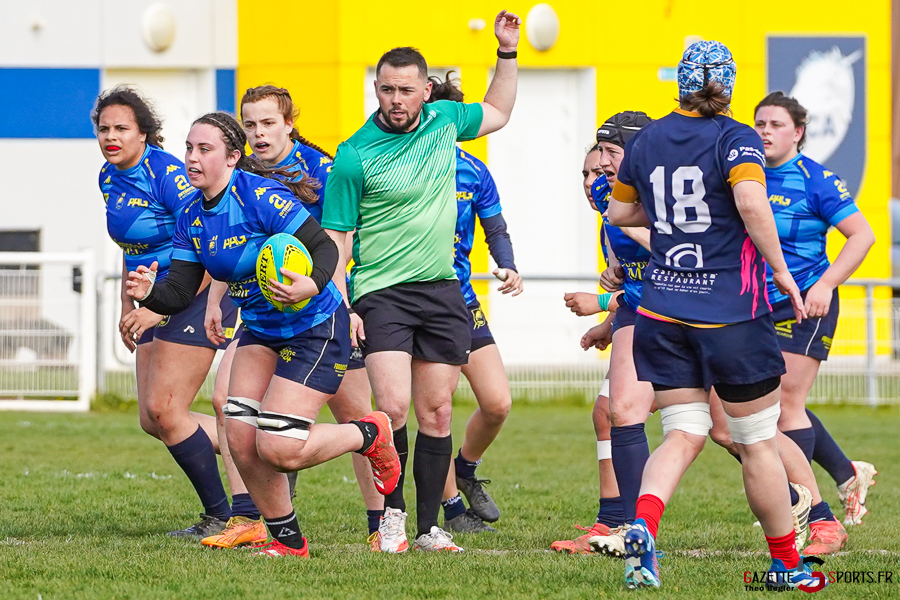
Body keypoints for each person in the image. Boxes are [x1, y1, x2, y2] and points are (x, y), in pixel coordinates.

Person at [122, 111, 400, 558]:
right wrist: (152, 294)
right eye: (189, 148)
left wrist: (311, 283)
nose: (191, 158)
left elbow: (324, 247)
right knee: (238, 436)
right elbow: (180, 288)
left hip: (314, 328)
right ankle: (288, 542)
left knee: (279, 447)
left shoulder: (259, 196)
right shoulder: (193, 214)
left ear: (233, 157)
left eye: (204, 149)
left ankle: (368, 434)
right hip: (260, 330)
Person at [608, 41, 818, 590]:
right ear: (727, 84)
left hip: (661, 309)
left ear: (679, 82)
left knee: (681, 433)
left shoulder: (648, 137)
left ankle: (644, 527)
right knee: (756, 441)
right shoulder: (735, 136)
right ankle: (786, 567)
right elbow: (750, 204)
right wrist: (784, 274)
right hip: (730, 312)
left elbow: (619, 209)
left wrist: (671, 226)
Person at [322, 10, 521, 553]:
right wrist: (345, 302)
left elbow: (500, 109)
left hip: (443, 291)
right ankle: (391, 517)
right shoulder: (354, 154)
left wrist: (506, 52)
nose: (394, 99)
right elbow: (337, 239)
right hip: (382, 294)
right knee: (391, 409)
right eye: (385, 89)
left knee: (436, 411)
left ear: (424, 90)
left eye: (405, 90)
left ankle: (431, 527)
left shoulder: (444, 122)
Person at [214, 84, 385, 546]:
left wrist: (346, 307)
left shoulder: (323, 172)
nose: (258, 133)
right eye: (249, 124)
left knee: (353, 411)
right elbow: (228, 241)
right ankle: (251, 517)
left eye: (268, 123)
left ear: (289, 123)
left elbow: (337, 244)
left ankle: (381, 523)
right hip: (263, 318)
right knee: (228, 404)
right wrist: (216, 300)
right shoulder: (241, 170)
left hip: (324, 310)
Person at [93, 86, 253, 538]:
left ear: (144, 133)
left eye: (122, 128)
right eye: (104, 128)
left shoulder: (166, 174)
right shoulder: (108, 176)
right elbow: (132, 248)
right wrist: (130, 305)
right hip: (153, 298)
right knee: (152, 418)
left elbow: (202, 243)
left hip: (199, 291)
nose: (111, 136)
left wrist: (161, 310)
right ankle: (263, 444)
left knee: (167, 408)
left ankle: (223, 513)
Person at [753, 91, 876, 525]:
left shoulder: (816, 179)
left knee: (785, 402)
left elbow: (862, 236)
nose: (766, 131)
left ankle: (799, 504)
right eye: (760, 124)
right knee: (766, 407)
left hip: (805, 303)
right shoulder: (746, 176)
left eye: (776, 125)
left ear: (798, 133)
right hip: (755, 305)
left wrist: (826, 284)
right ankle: (847, 474)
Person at [554, 113, 656, 557]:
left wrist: (601, 304)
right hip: (647, 321)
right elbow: (638, 286)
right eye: (589, 172)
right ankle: (616, 522)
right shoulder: (608, 221)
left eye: (607, 163)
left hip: (691, 324)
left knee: (732, 431)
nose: (593, 178)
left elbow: (676, 269)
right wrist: (609, 325)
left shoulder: (653, 200)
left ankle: (810, 504)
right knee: (609, 411)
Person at [426, 75, 522, 534]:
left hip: (463, 301)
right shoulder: (398, 167)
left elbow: (495, 227)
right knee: (437, 407)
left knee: (498, 402)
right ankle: (450, 509)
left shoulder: (473, 170)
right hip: (419, 302)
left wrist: (507, 264)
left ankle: (465, 468)